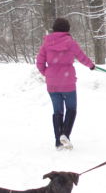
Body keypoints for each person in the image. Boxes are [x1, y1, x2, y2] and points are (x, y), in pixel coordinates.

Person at [36, 17, 95, 150]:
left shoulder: (46, 43)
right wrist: (91, 65)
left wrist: (47, 73)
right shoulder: (70, 42)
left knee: (57, 111)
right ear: (67, 29)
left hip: (52, 83)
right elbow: (81, 57)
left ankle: (58, 142)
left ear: (54, 29)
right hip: (67, 82)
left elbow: (39, 63)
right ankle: (65, 134)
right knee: (71, 109)